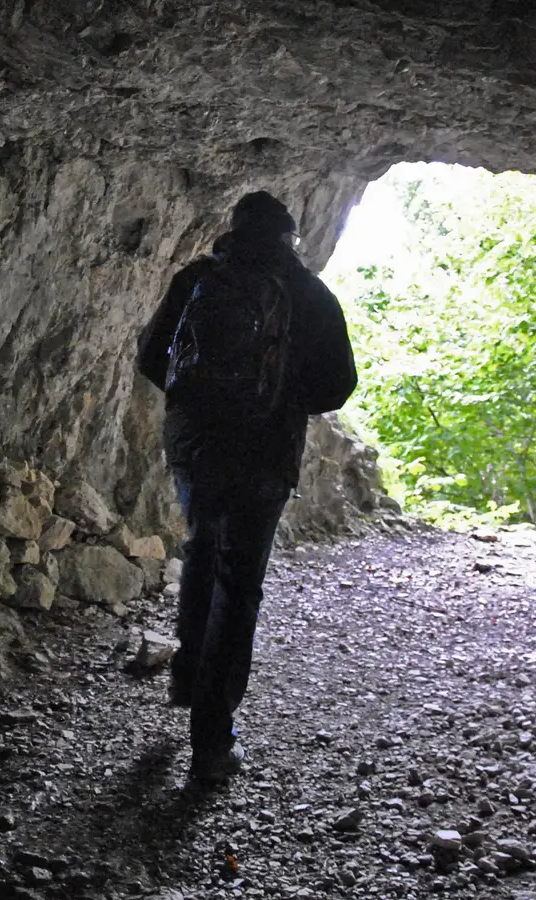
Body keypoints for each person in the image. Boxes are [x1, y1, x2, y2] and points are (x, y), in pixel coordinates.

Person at [136, 191, 357, 785]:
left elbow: (152, 358)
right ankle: (211, 742)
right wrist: (279, 399)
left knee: (201, 551)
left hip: (198, 451)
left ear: (232, 232)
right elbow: (338, 386)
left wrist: (201, 405)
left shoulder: (196, 280)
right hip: (264, 457)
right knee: (240, 587)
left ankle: (186, 676)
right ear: (291, 238)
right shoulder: (310, 296)